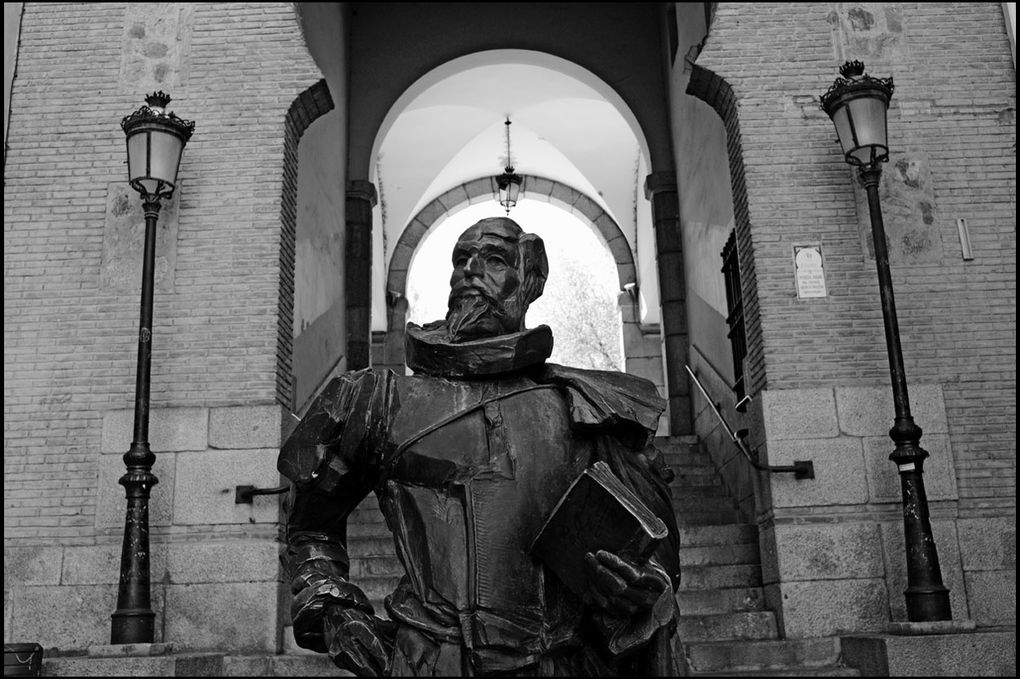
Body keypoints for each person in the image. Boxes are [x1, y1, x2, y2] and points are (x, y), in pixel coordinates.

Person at [278, 217, 681, 676]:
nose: (469, 271)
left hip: (560, 663)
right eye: (460, 260)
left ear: (530, 279)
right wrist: (335, 612)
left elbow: (656, 564)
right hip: (428, 661)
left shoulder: (586, 409)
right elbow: (309, 529)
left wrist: (638, 593)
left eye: (493, 259)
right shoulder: (376, 400)